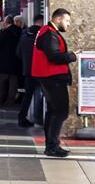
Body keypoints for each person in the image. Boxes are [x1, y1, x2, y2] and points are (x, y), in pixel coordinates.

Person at [32, 9, 77, 157]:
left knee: (53, 111)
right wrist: (72, 56)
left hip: (49, 76)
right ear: (58, 19)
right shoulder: (50, 34)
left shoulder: (47, 32)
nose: (68, 24)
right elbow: (54, 56)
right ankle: (52, 145)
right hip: (52, 77)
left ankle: (51, 145)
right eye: (67, 21)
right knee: (60, 112)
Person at [0, 17, 21, 106]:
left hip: (1, 63)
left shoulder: (0, 34)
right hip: (15, 63)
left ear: (5, 23)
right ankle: (10, 100)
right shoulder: (20, 32)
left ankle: (0, 100)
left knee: (1, 84)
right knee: (13, 84)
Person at [16, 20, 42, 127]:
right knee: (45, 94)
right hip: (41, 71)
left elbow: (18, 53)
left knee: (27, 96)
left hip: (28, 71)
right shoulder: (42, 36)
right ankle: (39, 117)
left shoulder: (24, 36)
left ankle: (22, 118)